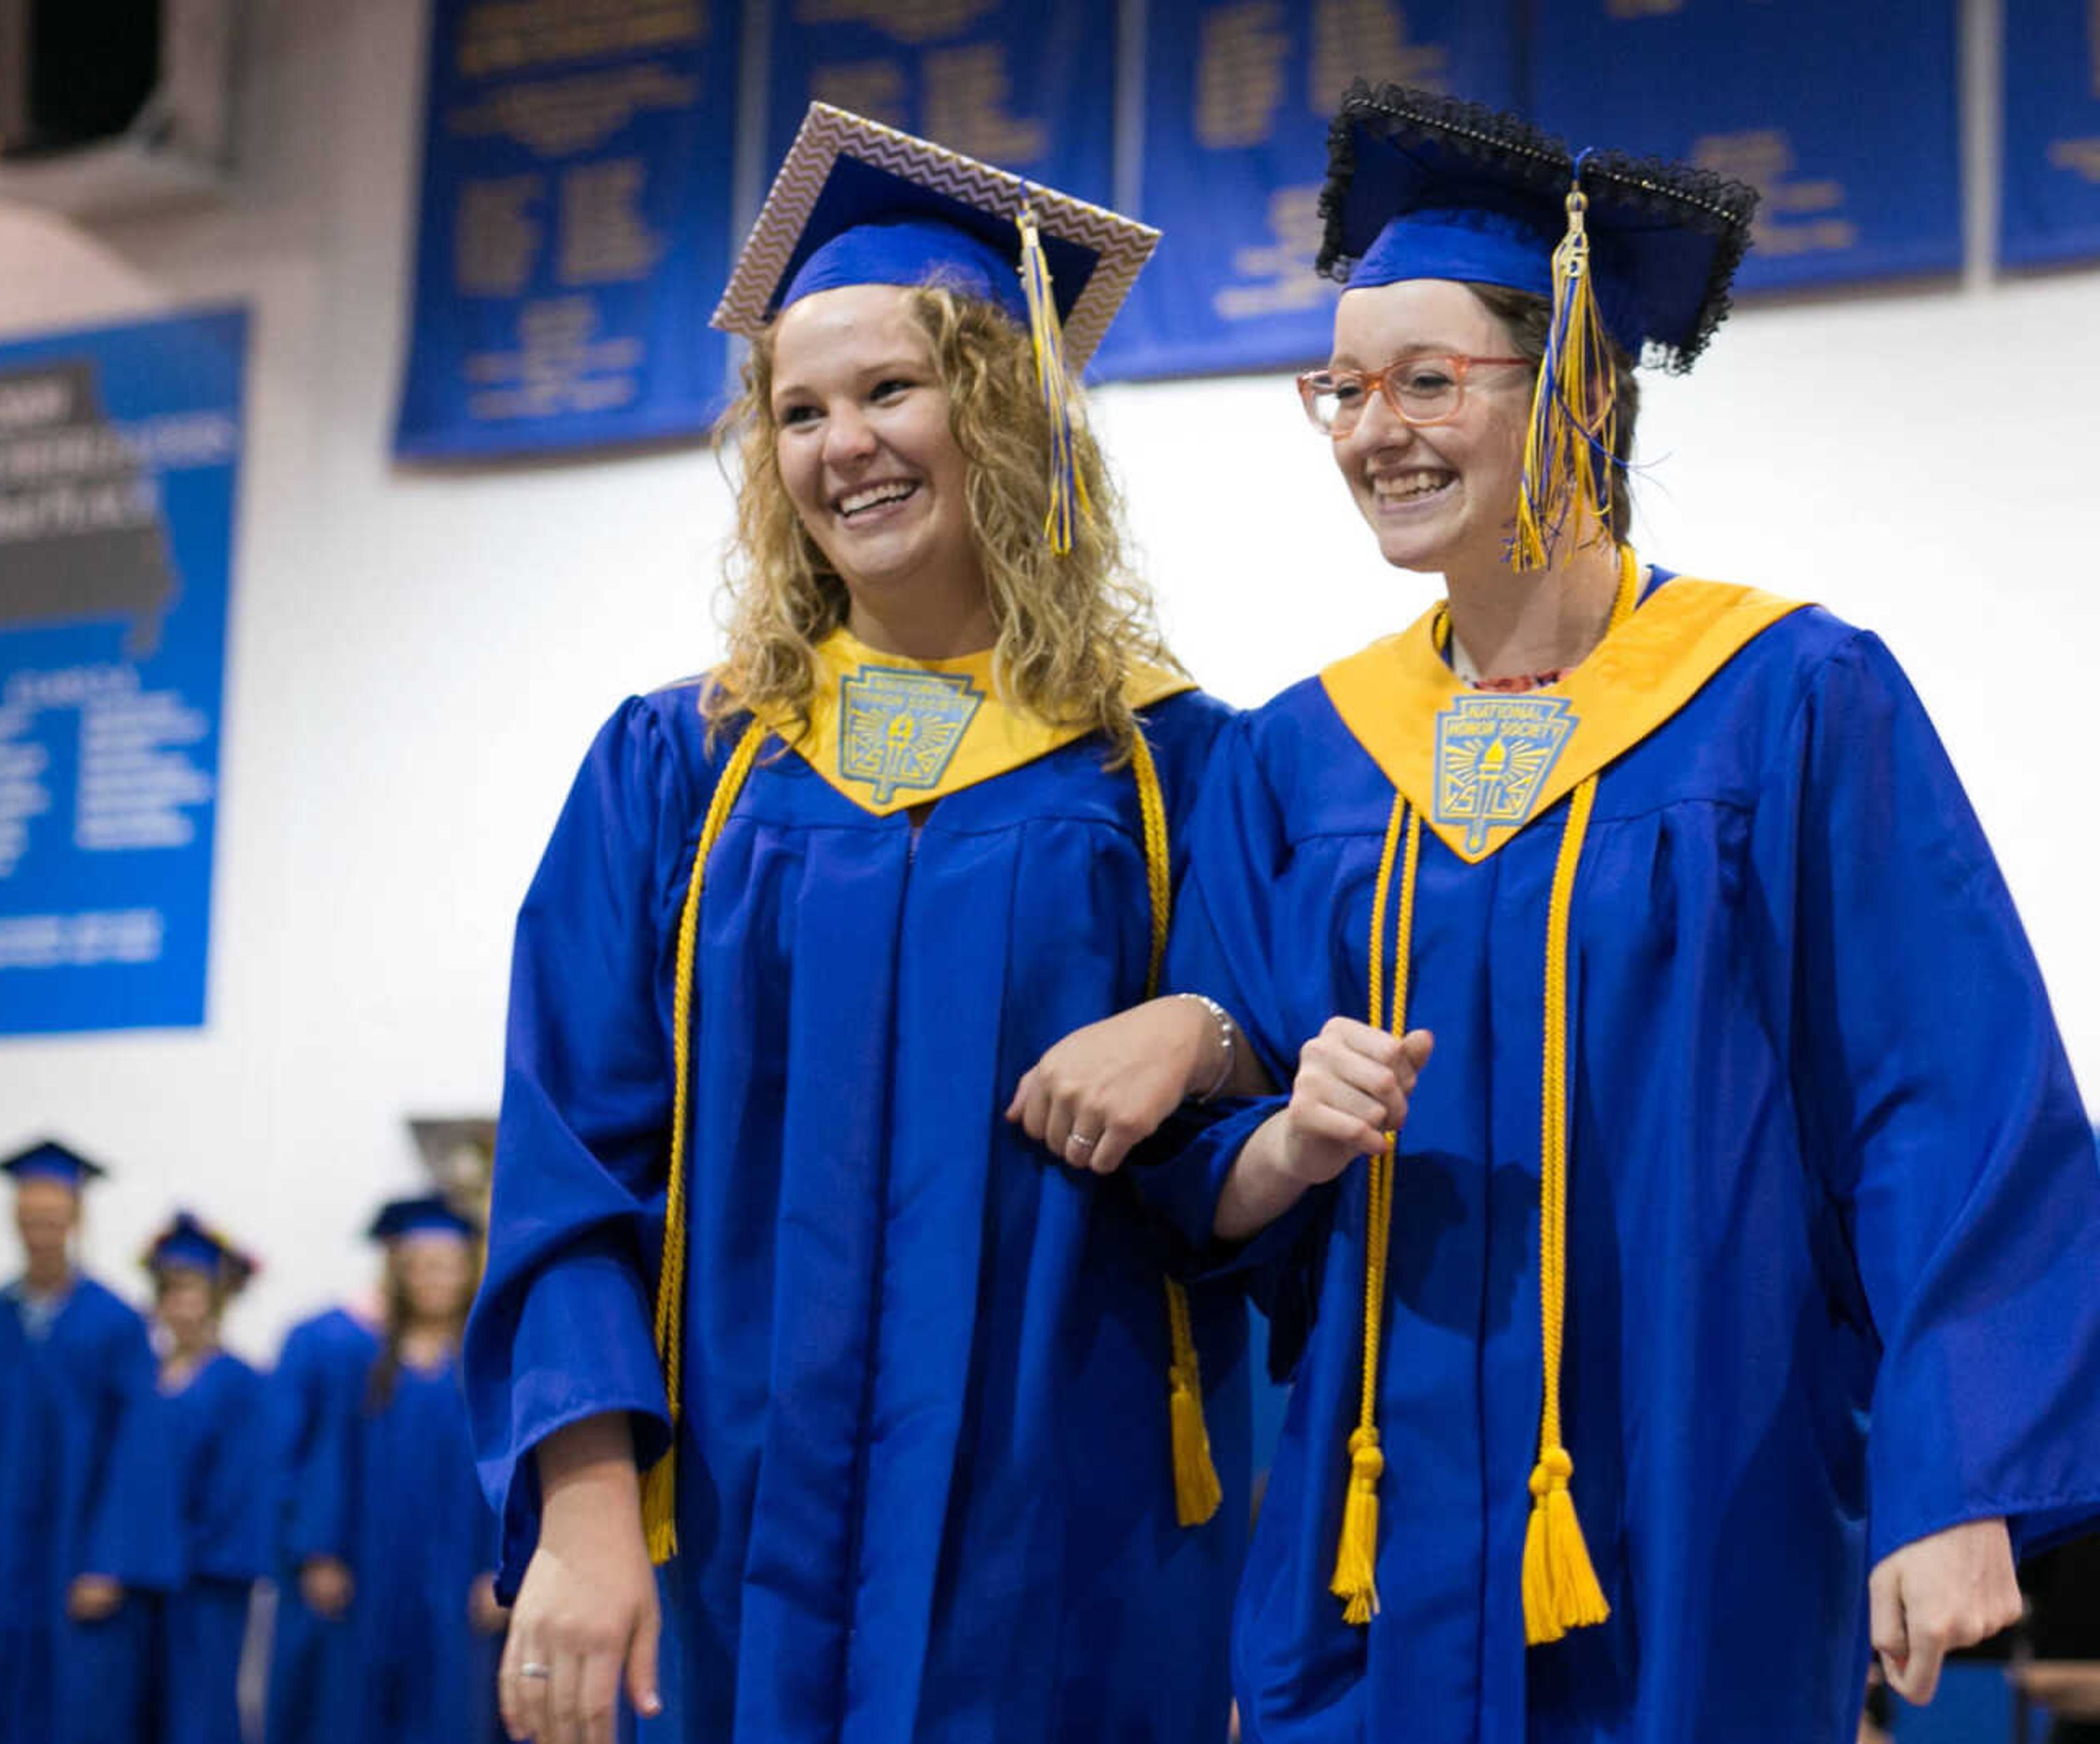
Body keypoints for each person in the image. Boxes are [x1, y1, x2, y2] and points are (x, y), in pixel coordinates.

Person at [1017, 80, 2100, 1743]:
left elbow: (1938, 1097)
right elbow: (1202, 1185)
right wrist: (1281, 1132)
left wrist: (1954, 1472)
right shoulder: (1299, 759)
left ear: (1575, 385)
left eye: (1427, 381)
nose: (1372, 428)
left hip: (1698, 1497)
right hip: (1369, 1537)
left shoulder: (1785, 701)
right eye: (1342, 388)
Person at [466, 102, 1255, 1744]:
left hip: (1069, 1527)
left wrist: (1204, 1030)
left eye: (890, 389)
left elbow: (1260, 1153)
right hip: (743, 1525)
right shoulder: (680, 765)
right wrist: (586, 1495)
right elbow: (571, 1154)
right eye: (798, 410)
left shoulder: (1173, 764)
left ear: (995, 408)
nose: (845, 445)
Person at [0, 1139, 178, 1744]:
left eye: (53, 1219)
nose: (41, 1231)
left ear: (77, 1220)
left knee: (74, 1709)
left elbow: (138, 1456)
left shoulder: (118, 1323)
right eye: (30, 1219)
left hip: (71, 1554)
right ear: (13, 1219)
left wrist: (110, 1561)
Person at [317, 1196, 507, 1743]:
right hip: (372, 1565)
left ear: (469, 1270)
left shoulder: (485, 1364)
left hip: (458, 1567)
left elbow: (508, 1478)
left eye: (447, 1265)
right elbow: (335, 1463)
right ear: (398, 1273)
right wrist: (324, 1553)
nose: (434, 1278)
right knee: (362, 1702)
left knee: (454, 1705)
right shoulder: (366, 1362)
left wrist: (498, 1569)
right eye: (420, 1266)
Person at [132, 1212, 267, 1744]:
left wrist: (179, 1550)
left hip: (205, 1579)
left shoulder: (241, 1382)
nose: (183, 1305)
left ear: (217, 1298)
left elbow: (237, 1490)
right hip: (140, 1579)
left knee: (200, 1710)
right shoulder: (141, 1378)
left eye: (194, 1292)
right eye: (172, 1292)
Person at [262, 1263, 382, 1744]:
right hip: (332, 1560)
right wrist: (315, 1549)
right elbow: (295, 1457)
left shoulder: (446, 1352)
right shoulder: (325, 1341)